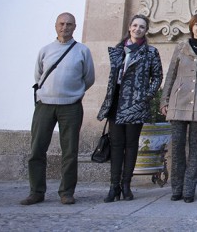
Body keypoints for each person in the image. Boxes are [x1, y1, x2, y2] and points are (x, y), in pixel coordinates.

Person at [21, 12, 95, 206]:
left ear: (75, 27)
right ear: (55, 26)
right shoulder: (45, 50)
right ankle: (36, 191)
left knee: (69, 152)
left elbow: (89, 78)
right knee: (37, 149)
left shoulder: (82, 51)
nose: (65, 27)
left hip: (70, 106)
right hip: (45, 105)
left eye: (69, 24)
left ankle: (67, 192)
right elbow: (38, 76)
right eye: (62, 23)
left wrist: (73, 92)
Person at [97, 14, 163, 202]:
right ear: (129, 28)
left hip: (136, 104)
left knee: (131, 144)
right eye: (135, 25)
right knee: (116, 145)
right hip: (116, 103)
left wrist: (145, 96)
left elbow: (157, 76)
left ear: (146, 30)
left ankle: (126, 185)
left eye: (142, 27)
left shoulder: (150, 52)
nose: (137, 29)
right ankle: (113, 186)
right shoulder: (118, 50)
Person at [160, 14, 197, 203]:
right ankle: (176, 187)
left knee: (195, 147)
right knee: (177, 146)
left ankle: (190, 189)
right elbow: (170, 75)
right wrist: (164, 99)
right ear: (191, 27)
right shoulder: (181, 47)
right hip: (178, 101)